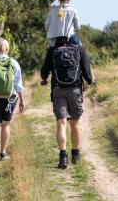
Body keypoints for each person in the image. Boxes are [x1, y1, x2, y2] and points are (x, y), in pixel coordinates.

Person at [40, 37, 95, 169]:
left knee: (61, 122)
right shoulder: (79, 49)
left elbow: (44, 72)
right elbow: (87, 72)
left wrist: (44, 79)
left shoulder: (53, 50)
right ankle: (75, 155)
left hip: (58, 89)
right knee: (74, 123)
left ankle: (63, 157)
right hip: (75, 90)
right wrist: (91, 81)